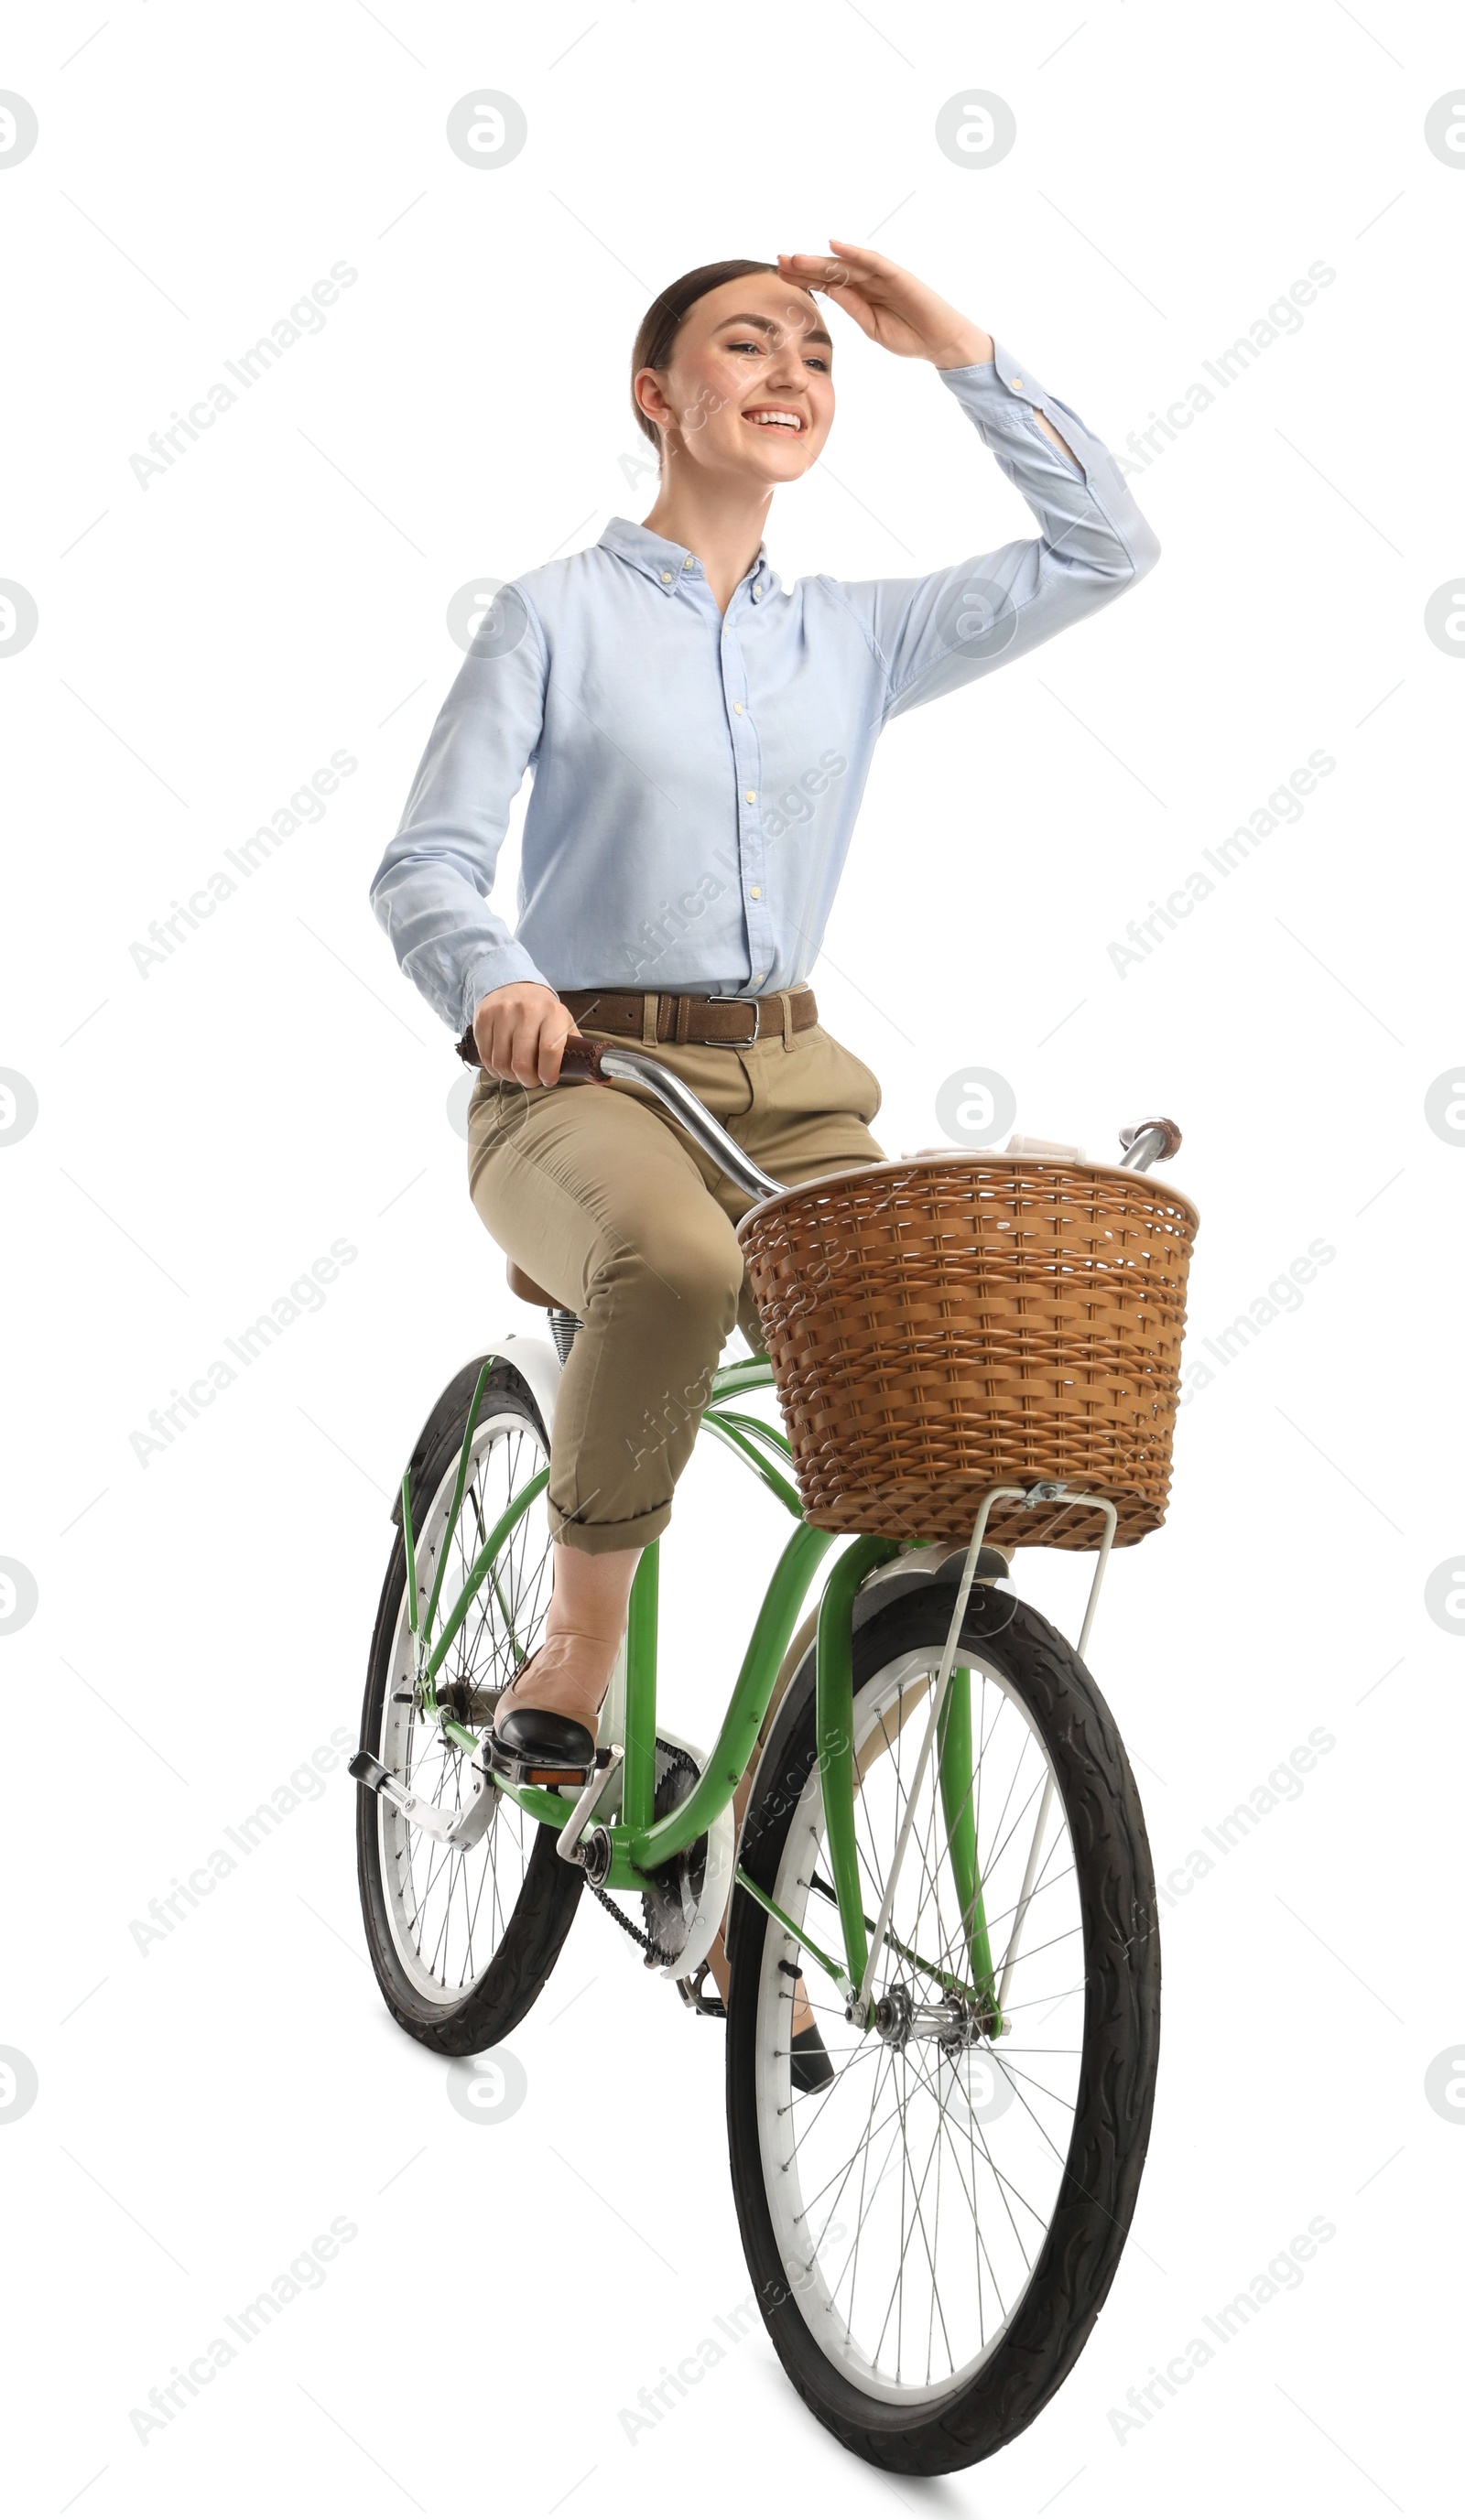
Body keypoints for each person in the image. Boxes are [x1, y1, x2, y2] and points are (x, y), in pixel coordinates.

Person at [369, 243, 1160, 2024]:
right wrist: (493, 977)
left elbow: (1102, 547)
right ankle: (569, 1656)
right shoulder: (552, 614)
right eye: (748, 342)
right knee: (672, 1262)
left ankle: (769, 1856)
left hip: (795, 1089)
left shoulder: (852, 637)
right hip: (575, 1080)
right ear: (656, 394)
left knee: (957, 1447)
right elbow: (423, 863)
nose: (792, 366)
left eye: (814, 350)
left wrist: (950, 344)